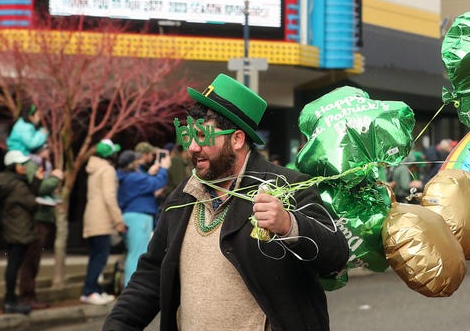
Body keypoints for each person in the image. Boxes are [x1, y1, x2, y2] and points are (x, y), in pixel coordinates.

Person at [103, 73, 349, 330]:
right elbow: (151, 275)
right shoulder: (181, 198)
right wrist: (118, 325)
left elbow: (337, 255)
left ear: (237, 139)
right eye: (189, 135)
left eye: (204, 136)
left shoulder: (288, 186)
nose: (193, 147)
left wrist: (289, 224)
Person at [0, 150, 44, 315]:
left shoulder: (5, 182)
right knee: (14, 265)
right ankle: (10, 300)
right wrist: (36, 180)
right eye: (22, 164)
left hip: (11, 228)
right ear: (13, 166)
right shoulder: (16, 185)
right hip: (18, 230)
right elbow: (32, 203)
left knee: (13, 264)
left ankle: (10, 299)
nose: (25, 167)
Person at [81, 138, 127, 305]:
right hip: (101, 218)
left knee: (95, 255)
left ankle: (94, 289)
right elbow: (109, 197)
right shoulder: (107, 170)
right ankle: (90, 291)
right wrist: (118, 221)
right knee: (100, 257)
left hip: (91, 215)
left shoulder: (94, 168)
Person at [18, 143, 64, 309]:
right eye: (46, 147)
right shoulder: (32, 164)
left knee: (35, 258)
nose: (49, 150)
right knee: (31, 259)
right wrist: (56, 178)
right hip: (36, 217)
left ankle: (30, 295)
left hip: (45, 215)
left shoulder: (44, 165)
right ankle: (27, 296)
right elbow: (39, 188)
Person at [116, 149, 170, 287]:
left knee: (134, 252)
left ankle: (131, 286)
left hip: (132, 216)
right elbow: (156, 183)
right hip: (138, 217)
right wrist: (163, 169)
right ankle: (131, 288)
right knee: (137, 254)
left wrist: (149, 173)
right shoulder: (133, 178)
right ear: (132, 163)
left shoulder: (126, 177)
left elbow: (145, 184)